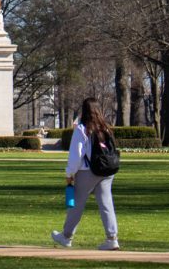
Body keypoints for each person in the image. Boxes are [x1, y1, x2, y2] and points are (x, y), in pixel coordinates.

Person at [51, 97, 119, 251]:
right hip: (107, 171)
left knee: (76, 205)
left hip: (87, 171)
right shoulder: (106, 128)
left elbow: (76, 155)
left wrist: (69, 174)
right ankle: (112, 238)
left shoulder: (82, 129)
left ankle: (66, 236)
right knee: (106, 204)